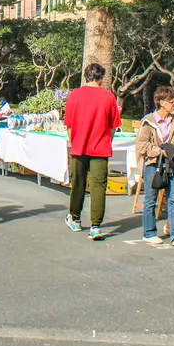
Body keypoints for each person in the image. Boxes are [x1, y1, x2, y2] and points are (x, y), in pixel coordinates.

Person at [62, 63, 120, 240]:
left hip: (79, 147)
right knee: (98, 186)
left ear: (86, 76)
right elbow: (113, 126)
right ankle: (96, 225)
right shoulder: (109, 97)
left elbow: (69, 125)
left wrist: (75, 143)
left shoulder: (75, 95)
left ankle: (75, 218)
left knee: (77, 184)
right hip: (100, 148)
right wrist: (105, 141)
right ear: (101, 78)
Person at [137, 85, 174, 247]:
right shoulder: (148, 121)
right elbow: (142, 145)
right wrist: (159, 152)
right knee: (150, 199)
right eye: (171, 102)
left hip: (172, 164)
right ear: (161, 102)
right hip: (153, 164)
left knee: (173, 198)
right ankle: (149, 232)